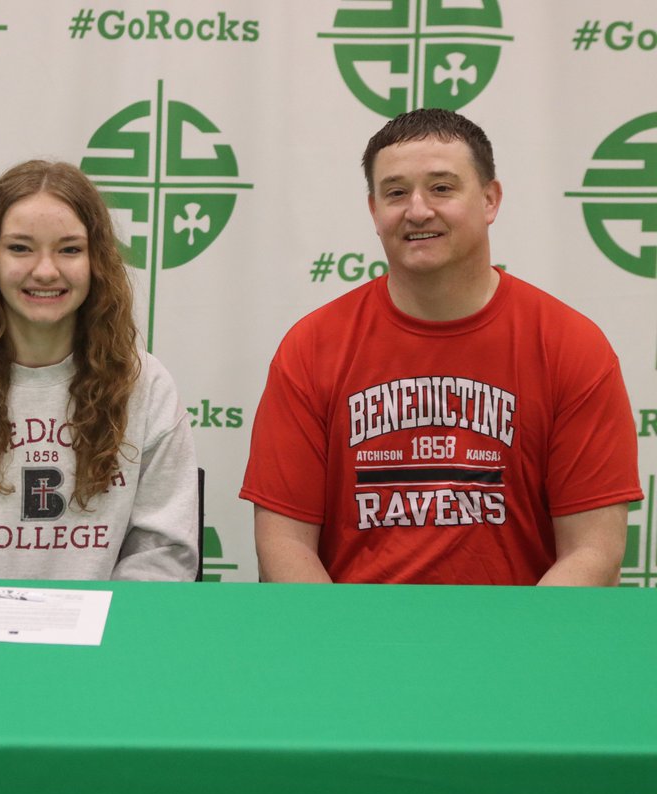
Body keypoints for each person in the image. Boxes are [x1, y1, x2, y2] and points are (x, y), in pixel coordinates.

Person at [241, 108, 642, 585]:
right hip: (356, 645)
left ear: (491, 200)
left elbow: (593, 551)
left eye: (442, 188)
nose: (417, 210)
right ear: (374, 211)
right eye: (395, 193)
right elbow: (283, 544)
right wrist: (341, 653)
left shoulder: (571, 346)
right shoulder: (310, 348)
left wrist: (519, 657)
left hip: (519, 645)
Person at [0, 159, 198, 580]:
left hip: (105, 640)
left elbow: (162, 556)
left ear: (97, 261)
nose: (45, 270)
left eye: (69, 249)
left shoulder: (147, 388)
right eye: (21, 248)